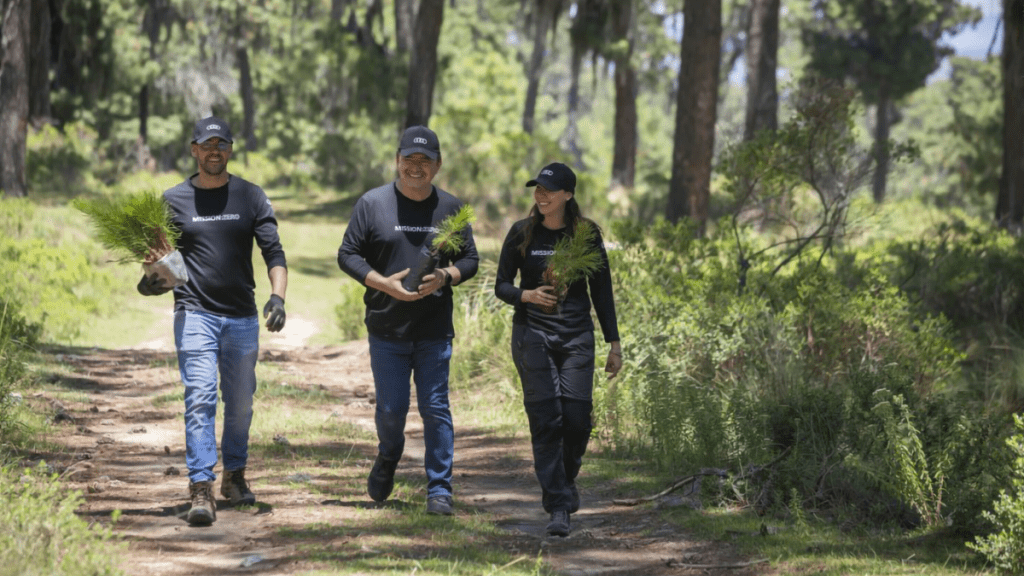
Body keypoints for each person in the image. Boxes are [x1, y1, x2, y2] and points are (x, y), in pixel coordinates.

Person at [136, 116, 288, 526]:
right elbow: (159, 262)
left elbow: (274, 253)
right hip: (194, 313)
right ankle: (200, 486)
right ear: (194, 150)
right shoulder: (172, 200)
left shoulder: (251, 196)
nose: (214, 151)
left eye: (221, 144)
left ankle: (234, 475)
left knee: (239, 405)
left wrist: (278, 296)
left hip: (241, 317)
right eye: (207, 144)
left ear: (230, 150)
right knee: (200, 396)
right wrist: (150, 282)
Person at [337, 125, 478, 516]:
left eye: (425, 160)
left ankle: (439, 489)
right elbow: (347, 255)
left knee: (435, 407)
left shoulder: (451, 209)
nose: (416, 167)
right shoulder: (372, 204)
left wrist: (445, 276)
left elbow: (470, 260)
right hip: (387, 328)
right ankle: (388, 455)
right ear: (397, 160)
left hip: (434, 328)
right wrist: (384, 284)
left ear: (438, 165)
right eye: (409, 159)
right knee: (391, 411)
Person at [494, 162, 622, 537]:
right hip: (532, 334)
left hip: (577, 337)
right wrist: (526, 295)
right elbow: (501, 285)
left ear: (568, 195)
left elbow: (603, 292)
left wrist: (615, 344)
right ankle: (559, 504)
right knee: (547, 419)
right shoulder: (522, 233)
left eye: (549, 189)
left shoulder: (586, 236)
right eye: (537, 188)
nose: (541, 194)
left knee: (578, 419)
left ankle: (564, 481)